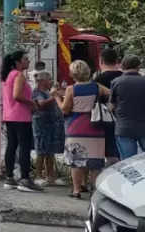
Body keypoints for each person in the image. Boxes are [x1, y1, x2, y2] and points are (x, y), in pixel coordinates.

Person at [61, 60, 109, 199]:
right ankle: (95, 191)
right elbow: (112, 94)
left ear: (72, 73)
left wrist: (57, 97)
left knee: (76, 161)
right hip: (95, 126)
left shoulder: (71, 89)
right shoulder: (97, 86)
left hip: (75, 127)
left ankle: (76, 190)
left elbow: (65, 109)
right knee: (95, 162)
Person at [2, 50, 43, 192]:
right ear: (18, 62)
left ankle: (9, 177)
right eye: (25, 59)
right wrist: (32, 102)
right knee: (24, 147)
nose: (28, 61)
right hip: (21, 116)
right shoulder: (19, 76)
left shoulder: (9, 75)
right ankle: (25, 179)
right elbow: (17, 95)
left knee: (11, 146)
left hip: (9, 115)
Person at [31, 71, 66, 186]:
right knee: (41, 151)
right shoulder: (37, 92)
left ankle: (51, 175)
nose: (51, 81)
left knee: (50, 151)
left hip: (51, 125)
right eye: (49, 79)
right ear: (42, 81)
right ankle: (39, 176)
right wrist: (55, 97)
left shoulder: (48, 91)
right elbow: (41, 104)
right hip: (41, 125)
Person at [110, 54, 145, 160]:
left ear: (123, 66)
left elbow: (112, 106)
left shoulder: (116, 82)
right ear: (138, 67)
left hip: (124, 128)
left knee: (128, 162)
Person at [93, 48, 122, 165]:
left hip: (105, 117)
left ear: (101, 61)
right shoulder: (122, 77)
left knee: (109, 145)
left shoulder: (98, 79)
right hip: (122, 116)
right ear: (116, 61)